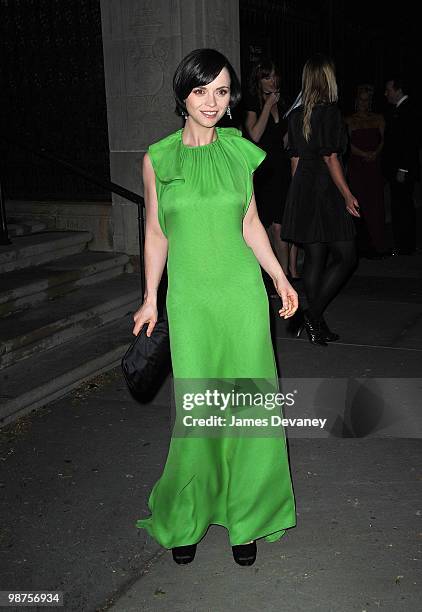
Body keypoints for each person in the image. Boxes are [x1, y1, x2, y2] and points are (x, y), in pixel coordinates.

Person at [133, 49, 298, 566]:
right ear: (183, 93)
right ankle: (187, 514)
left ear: (232, 99)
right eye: (202, 90)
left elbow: (250, 224)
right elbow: (156, 233)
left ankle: (245, 518)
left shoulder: (238, 151)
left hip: (241, 296)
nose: (211, 101)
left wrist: (278, 276)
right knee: (198, 409)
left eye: (222, 91)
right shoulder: (158, 157)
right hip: (191, 301)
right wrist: (149, 298)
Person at [282, 54, 360, 345]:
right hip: (325, 191)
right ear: (327, 79)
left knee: (315, 257)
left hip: (303, 189)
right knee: (347, 256)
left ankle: (316, 323)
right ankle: (313, 315)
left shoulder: (295, 115)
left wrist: (296, 198)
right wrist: (347, 194)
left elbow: (295, 161)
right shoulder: (329, 112)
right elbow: (330, 157)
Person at [244, 58, 299, 279]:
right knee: (266, 226)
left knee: (280, 227)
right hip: (263, 170)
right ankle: (272, 274)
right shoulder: (252, 103)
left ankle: (283, 276)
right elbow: (255, 135)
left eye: (275, 75)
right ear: (258, 80)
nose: (272, 80)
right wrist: (267, 105)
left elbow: (284, 139)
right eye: (267, 76)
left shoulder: (283, 102)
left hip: (282, 168)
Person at [345, 85, 388, 258]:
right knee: (358, 203)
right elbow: (347, 144)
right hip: (357, 166)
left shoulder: (378, 118)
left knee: (375, 204)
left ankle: (377, 244)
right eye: (361, 99)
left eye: (367, 100)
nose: (364, 103)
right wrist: (363, 153)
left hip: (374, 166)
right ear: (356, 101)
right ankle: (361, 246)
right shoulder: (349, 120)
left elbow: (383, 140)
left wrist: (375, 153)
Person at [383, 76, 420, 255]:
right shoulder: (398, 109)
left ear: (398, 90)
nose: (386, 94)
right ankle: (406, 244)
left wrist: (403, 168)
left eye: (388, 90)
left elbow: (409, 142)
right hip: (398, 169)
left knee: (402, 207)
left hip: (402, 170)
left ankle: (405, 246)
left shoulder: (407, 110)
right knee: (401, 206)